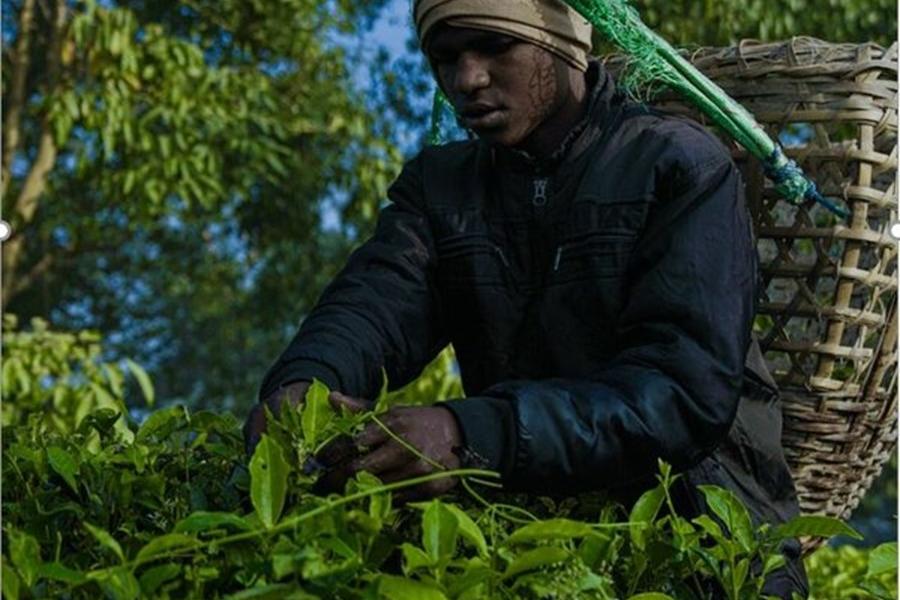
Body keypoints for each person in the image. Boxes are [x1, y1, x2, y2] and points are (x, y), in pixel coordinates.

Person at [244, 0, 809, 596]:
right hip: (540, 557)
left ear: (559, 42)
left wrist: (473, 435)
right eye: (445, 58)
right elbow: (374, 302)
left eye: (493, 47)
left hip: (713, 556)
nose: (467, 79)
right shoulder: (442, 191)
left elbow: (680, 394)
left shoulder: (675, 165)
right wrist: (303, 384)